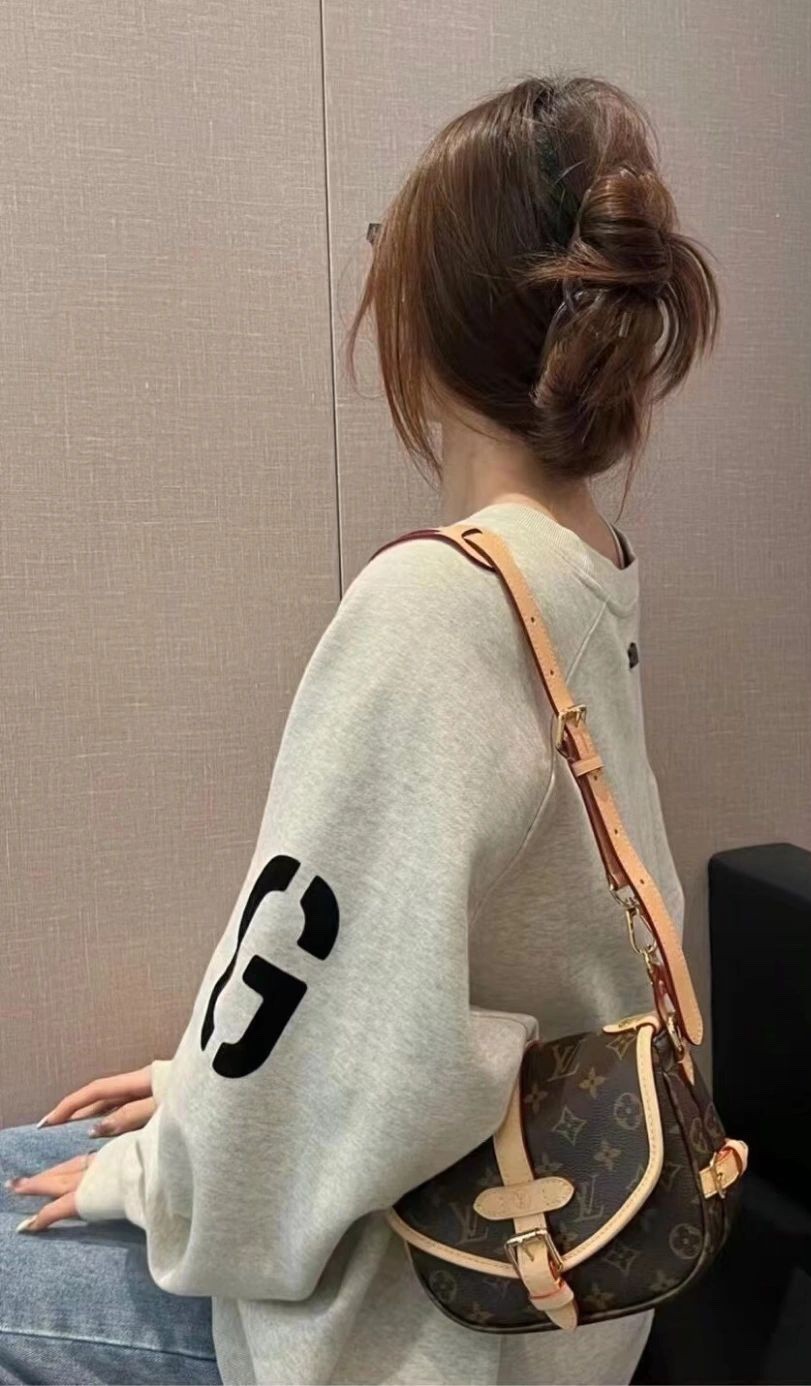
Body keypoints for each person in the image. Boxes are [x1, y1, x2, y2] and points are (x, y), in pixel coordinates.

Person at [0, 77, 718, 1386]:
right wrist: (196, 1087)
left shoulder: (437, 604)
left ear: (421, 321)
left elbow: (357, 1037)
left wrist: (156, 1169)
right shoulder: (586, 570)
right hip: (568, 1286)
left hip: (423, 1326)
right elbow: (402, 994)